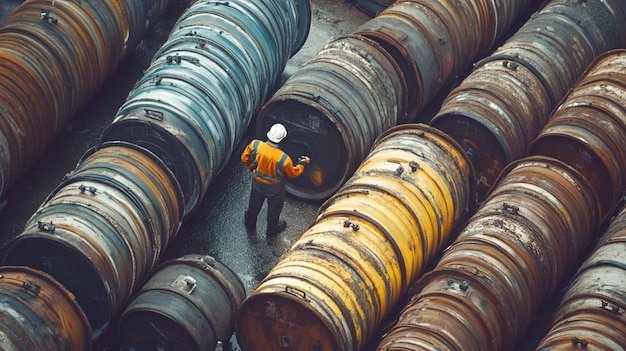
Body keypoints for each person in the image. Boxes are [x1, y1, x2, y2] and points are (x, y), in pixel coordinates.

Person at [241, 123, 311, 236]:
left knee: (254, 204)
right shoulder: (284, 159)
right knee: (274, 209)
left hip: (258, 183)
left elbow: (244, 159)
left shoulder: (255, 145)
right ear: (282, 138)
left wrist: (253, 168)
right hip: (275, 188)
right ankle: (272, 230)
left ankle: (250, 223)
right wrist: (302, 165)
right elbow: (293, 173)